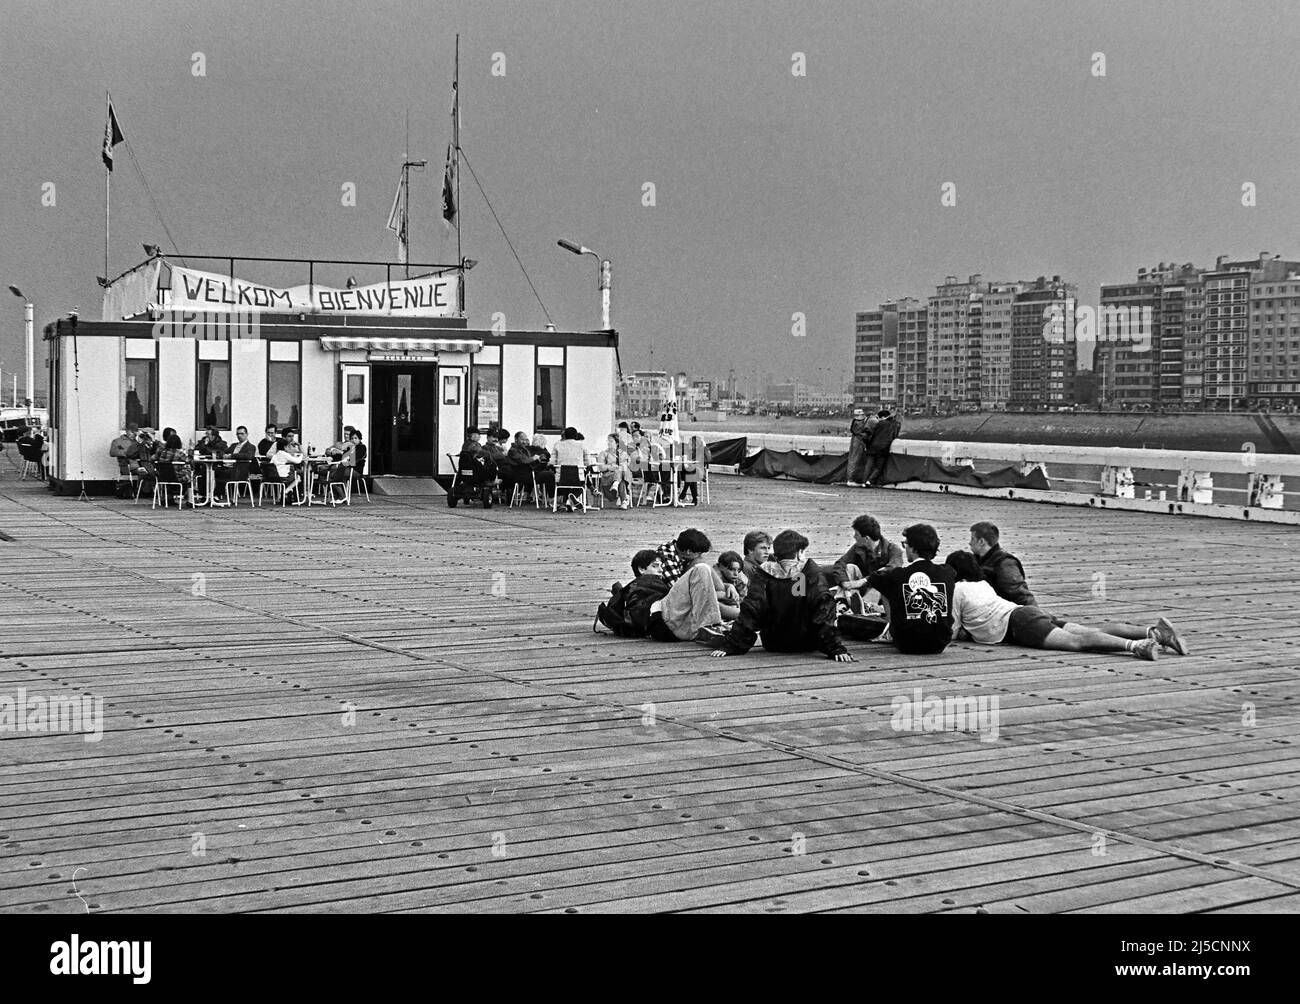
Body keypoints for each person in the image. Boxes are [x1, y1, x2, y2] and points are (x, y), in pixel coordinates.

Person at [946, 551, 1183, 660]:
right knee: (1094, 631)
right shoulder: (983, 584)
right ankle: (1155, 632)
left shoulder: (958, 590)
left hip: (1020, 625)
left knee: (1077, 643)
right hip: (1028, 613)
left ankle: (1136, 646)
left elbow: (951, 631)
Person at [710, 530, 854, 662]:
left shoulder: (764, 574)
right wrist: (835, 648)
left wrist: (730, 645)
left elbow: (751, 611)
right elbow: (823, 611)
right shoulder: (811, 573)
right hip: (808, 643)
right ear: (799, 552)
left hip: (774, 643)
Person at [867, 523, 958, 655]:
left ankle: (888, 630)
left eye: (906, 544)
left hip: (905, 643)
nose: (905, 549)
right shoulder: (947, 573)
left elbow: (876, 579)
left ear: (913, 548)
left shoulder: (898, 575)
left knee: (887, 587)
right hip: (939, 643)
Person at [647, 532, 728, 644]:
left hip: (682, 612)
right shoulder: (666, 558)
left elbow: (716, 587)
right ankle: (710, 626)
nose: (700, 556)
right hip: (669, 614)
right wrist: (719, 594)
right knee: (701, 567)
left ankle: (715, 623)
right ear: (689, 551)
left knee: (702, 566)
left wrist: (729, 587)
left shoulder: (682, 552)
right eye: (698, 553)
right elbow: (681, 591)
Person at [829, 514, 905, 599]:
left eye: (856, 534)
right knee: (850, 567)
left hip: (882, 592)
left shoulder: (894, 550)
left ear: (866, 538)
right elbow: (840, 564)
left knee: (882, 581)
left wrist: (864, 581)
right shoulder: (857, 548)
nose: (854, 536)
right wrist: (844, 582)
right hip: (861, 589)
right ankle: (844, 600)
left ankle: (864, 605)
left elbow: (891, 570)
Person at [969, 522, 1036, 605]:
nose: (970, 543)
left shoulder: (1005, 564)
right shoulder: (975, 561)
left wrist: (1034, 616)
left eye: (972, 539)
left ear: (981, 541)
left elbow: (1022, 596)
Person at [551, 427, 588, 511]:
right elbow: (587, 461)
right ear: (576, 435)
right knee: (583, 484)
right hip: (578, 477)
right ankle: (571, 499)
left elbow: (552, 462)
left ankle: (568, 501)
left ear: (565, 435)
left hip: (561, 477)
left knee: (563, 485)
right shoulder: (581, 445)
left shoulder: (557, 445)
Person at [216, 425, 258, 498]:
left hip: (239, 471)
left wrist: (232, 455)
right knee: (211, 471)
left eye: (242, 434)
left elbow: (248, 456)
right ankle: (207, 494)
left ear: (247, 434)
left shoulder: (251, 447)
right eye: (238, 434)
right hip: (228, 467)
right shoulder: (233, 445)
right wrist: (223, 455)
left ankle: (216, 495)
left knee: (221, 473)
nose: (239, 436)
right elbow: (222, 452)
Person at [863, 407, 901, 486]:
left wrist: (868, 445)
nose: (878, 420)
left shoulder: (880, 424)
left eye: (879, 418)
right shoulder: (896, 424)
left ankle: (864, 481)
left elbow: (872, 435)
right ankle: (870, 481)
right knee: (879, 467)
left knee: (868, 465)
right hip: (884, 448)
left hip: (873, 446)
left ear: (883, 417)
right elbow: (895, 435)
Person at [154, 432, 195, 504]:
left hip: (162, 477)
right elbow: (189, 461)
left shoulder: (162, 452)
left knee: (168, 473)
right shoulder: (179, 453)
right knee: (190, 474)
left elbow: (153, 459)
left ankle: (168, 497)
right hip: (176, 478)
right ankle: (190, 500)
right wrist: (191, 450)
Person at [597, 434, 633, 509]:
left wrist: (620, 467)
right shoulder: (603, 453)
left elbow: (627, 465)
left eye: (611, 441)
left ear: (616, 443)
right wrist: (611, 467)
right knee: (622, 477)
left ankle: (616, 484)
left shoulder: (623, 453)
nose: (608, 443)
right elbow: (601, 467)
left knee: (623, 470)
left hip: (623, 476)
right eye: (608, 441)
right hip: (608, 477)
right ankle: (624, 501)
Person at [109, 423, 143, 497]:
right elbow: (112, 452)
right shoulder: (118, 441)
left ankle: (144, 491)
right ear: (127, 431)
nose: (133, 434)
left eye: (135, 432)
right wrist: (126, 453)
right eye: (132, 432)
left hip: (139, 463)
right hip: (126, 464)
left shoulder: (138, 441)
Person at [845, 407, 876, 487]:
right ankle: (851, 479)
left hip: (855, 441)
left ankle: (850, 478)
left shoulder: (854, 422)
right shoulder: (860, 423)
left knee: (852, 459)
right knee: (856, 460)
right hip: (859, 442)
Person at [712, 550, 748, 619]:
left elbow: (743, 599)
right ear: (721, 567)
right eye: (732, 569)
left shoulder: (741, 580)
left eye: (738, 570)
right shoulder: (714, 575)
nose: (736, 574)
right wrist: (724, 594)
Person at [678, 435, 709, 505]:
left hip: (699, 472)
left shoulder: (702, 451)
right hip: (689, 472)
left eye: (690, 443)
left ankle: (684, 491)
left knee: (691, 471)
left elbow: (708, 459)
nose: (688, 444)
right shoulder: (688, 451)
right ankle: (695, 498)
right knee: (690, 473)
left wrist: (704, 446)